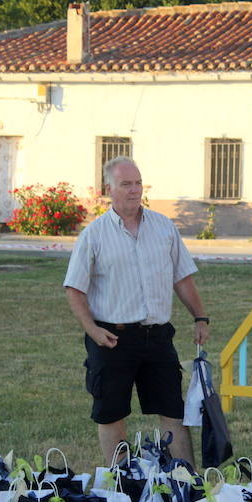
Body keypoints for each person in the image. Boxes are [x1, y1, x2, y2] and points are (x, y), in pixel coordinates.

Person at [63, 156, 210, 466]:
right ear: (109, 189)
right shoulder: (94, 235)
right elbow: (74, 288)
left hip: (157, 337)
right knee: (111, 414)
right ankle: (120, 481)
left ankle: (185, 481)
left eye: (138, 183)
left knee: (173, 411)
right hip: (111, 339)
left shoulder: (164, 227)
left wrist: (200, 316)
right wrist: (92, 329)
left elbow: (182, 277)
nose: (134, 190)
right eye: (126, 184)